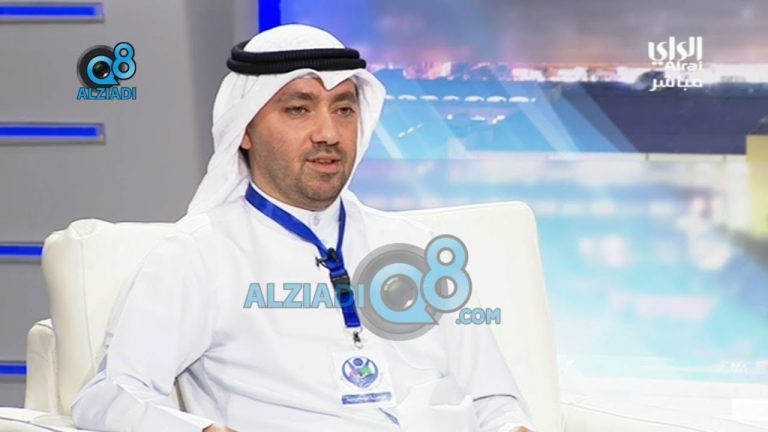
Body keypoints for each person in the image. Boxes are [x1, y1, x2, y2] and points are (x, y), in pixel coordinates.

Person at [70, 24, 535, 432]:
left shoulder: (417, 249)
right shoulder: (198, 255)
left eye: (344, 110)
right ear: (244, 129)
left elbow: (495, 402)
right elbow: (110, 396)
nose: (328, 133)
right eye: (299, 109)